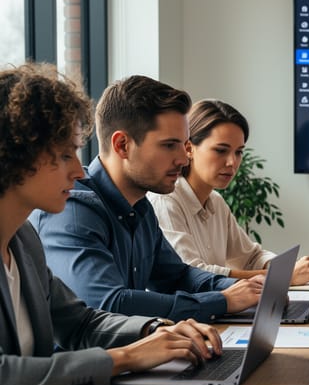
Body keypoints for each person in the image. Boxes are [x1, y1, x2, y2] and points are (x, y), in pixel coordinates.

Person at [0, 63, 223, 385]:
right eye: (64, 155)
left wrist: (153, 330)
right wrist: (125, 357)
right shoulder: (69, 214)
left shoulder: (23, 240)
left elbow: (80, 322)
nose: (78, 170)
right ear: (13, 154)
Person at [29, 75, 265, 323]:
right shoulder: (73, 209)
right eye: (169, 145)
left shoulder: (140, 206)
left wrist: (247, 289)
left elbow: (178, 276)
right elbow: (110, 303)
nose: (183, 159)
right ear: (122, 145)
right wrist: (223, 300)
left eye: (183, 144)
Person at [148, 100, 309, 286]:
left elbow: (252, 256)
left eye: (238, 152)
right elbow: (193, 274)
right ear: (189, 149)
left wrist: (287, 268)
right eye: (220, 150)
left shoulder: (216, 201)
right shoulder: (165, 202)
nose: (232, 162)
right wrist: (282, 276)